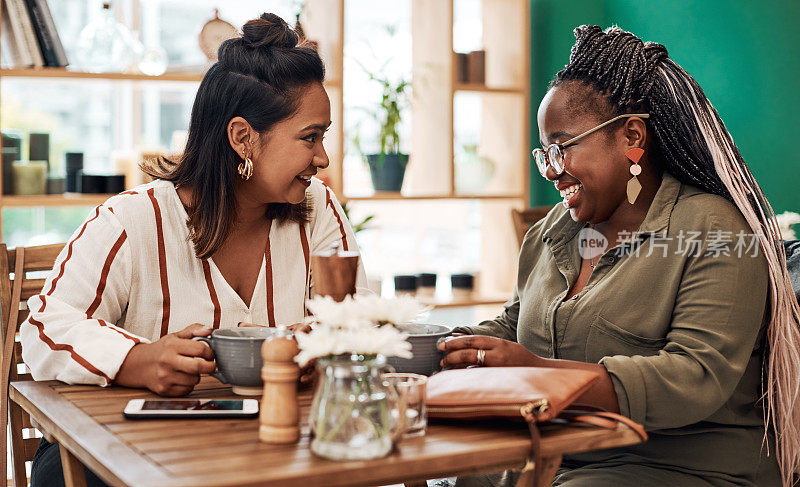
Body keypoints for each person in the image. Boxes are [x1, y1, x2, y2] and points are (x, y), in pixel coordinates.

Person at [440, 25, 800, 486]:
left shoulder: (715, 229)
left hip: (684, 466)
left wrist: (538, 373)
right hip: (564, 453)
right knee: (453, 474)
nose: (552, 171)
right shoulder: (554, 231)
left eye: (563, 147)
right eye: (543, 153)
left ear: (632, 136)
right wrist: (441, 346)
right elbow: (516, 324)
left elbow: (696, 375)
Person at [20, 13, 364, 487]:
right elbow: (41, 327)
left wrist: (322, 346)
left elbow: (360, 321)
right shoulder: (131, 220)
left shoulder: (319, 209)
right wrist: (136, 361)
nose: (323, 158)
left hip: (270, 452)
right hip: (128, 453)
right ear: (244, 138)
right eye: (310, 137)